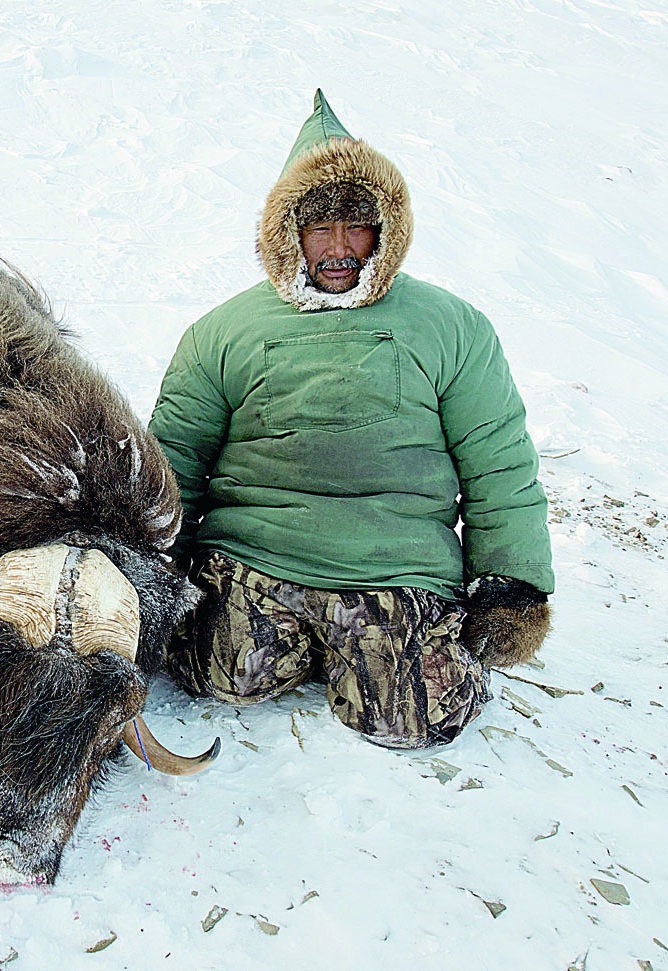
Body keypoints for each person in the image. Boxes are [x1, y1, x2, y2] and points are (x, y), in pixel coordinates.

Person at [149, 90, 554, 750]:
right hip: (256, 554)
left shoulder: (453, 327)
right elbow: (173, 460)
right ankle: (314, 647)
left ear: (387, 229)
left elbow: (498, 458)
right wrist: (148, 561)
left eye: (356, 225)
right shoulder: (222, 332)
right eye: (318, 227)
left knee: (413, 718)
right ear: (287, 234)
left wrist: (510, 582)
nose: (338, 247)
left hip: (394, 565)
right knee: (214, 672)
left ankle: (371, 649)